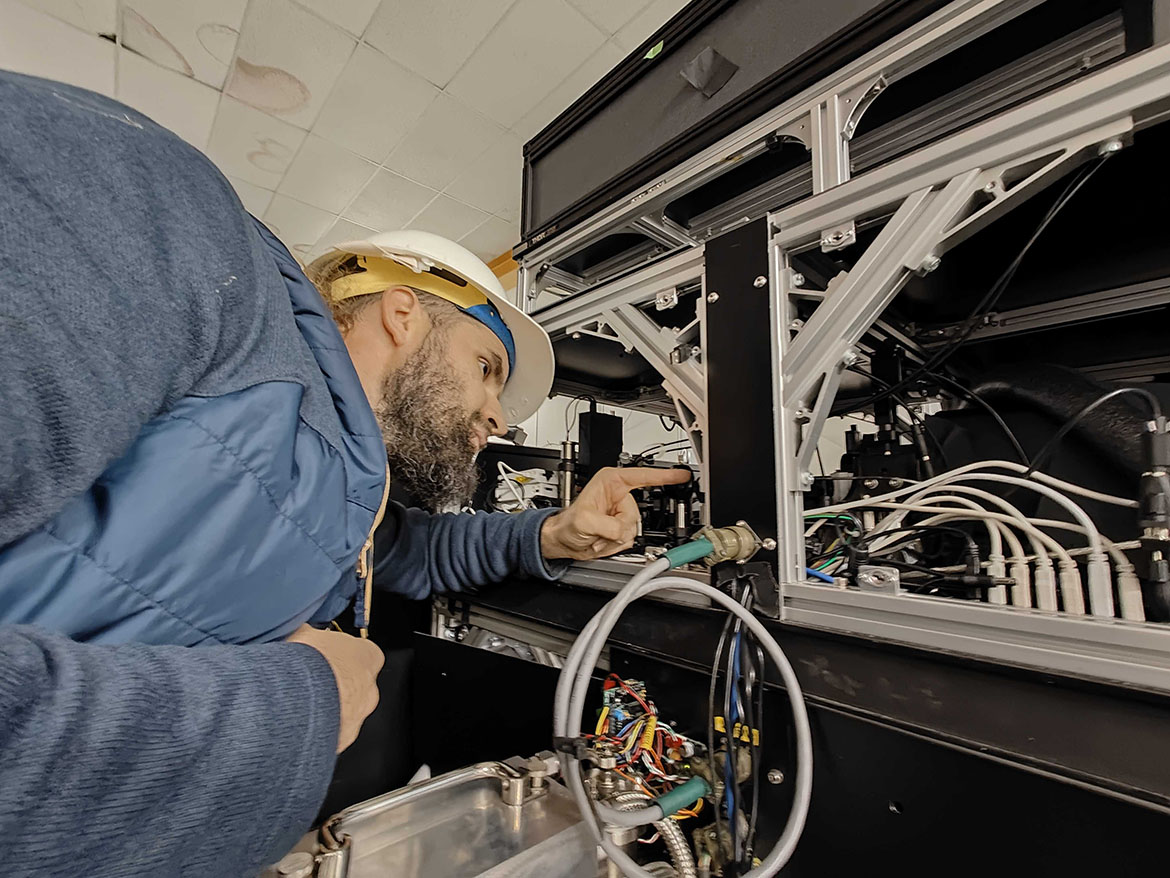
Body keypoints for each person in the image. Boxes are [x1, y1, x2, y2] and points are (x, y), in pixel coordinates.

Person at [0, 70, 687, 876]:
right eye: (487, 368)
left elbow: (419, 551)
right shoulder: (178, 224)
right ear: (403, 313)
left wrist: (553, 532)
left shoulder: (348, 493)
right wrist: (301, 710)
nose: (499, 418)